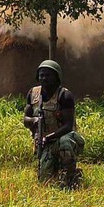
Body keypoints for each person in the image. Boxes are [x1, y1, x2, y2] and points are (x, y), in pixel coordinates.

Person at [23, 60, 85, 189]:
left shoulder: (64, 95)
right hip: (45, 143)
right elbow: (26, 120)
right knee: (45, 181)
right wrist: (34, 121)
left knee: (65, 143)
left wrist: (48, 137)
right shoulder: (33, 94)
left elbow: (68, 126)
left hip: (65, 138)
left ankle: (72, 177)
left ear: (57, 77)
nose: (44, 78)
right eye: (41, 75)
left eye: (48, 75)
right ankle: (57, 171)